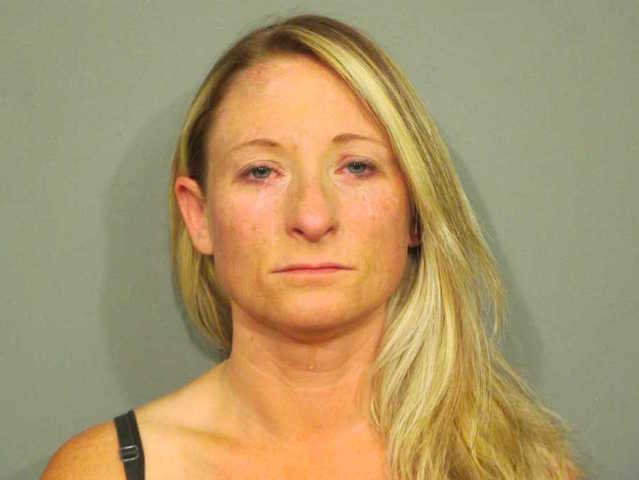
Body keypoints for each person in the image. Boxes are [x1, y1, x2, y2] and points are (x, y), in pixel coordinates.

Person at [42, 13, 583, 480]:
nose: (312, 217)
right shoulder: (103, 470)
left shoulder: (522, 465)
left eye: (357, 167)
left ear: (415, 212)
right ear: (199, 216)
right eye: (261, 171)